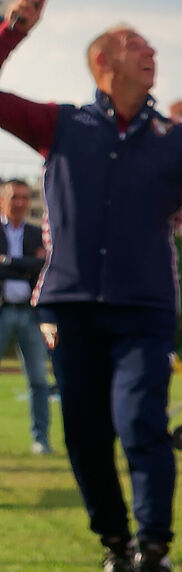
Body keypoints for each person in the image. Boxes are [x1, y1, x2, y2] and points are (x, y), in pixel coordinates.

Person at [0, 1, 182, 572]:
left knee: (141, 422)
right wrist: (13, 30)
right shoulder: (60, 124)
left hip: (144, 308)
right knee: (84, 435)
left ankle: (154, 551)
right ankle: (115, 543)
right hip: (69, 307)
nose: (151, 52)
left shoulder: (178, 140)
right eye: (135, 43)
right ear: (103, 61)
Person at [0, 176, 52, 454]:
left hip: (31, 314)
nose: (20, 203)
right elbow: (33, 264)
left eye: (24, 197)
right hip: (2, 311)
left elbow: (44, 265)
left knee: (39, 381)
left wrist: (8, 261)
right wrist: (26, 264)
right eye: (14, 197)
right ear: (2, 200)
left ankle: (41, 439)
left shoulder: (36, 233)